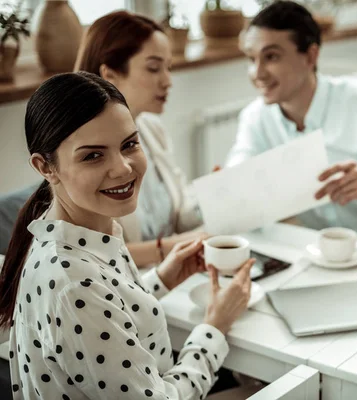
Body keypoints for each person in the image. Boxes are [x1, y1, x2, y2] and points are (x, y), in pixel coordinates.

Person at [0, 72, 254, 399]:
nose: (122, 168)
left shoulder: (74, 234)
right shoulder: (72, 282)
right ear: (45, 167)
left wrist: (163, 277)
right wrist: (214, 328)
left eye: (129, 144)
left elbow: (107, 316)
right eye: (93, 155)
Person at [226, 1, 357, 243]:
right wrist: (230, 188)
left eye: (271, 57)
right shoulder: (255, 118)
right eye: (251, 59)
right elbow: (238, 172)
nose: (258, 73)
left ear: (310, 56)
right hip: (318, 250)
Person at [76, 11, 206, 268]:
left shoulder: (150, 128)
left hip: (172, 273)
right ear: (110, 75)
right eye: (154, 68)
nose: (168, 81)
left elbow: (180, 214)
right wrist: (174, 248)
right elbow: (92, 254)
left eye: (168, 68)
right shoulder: (83, 154)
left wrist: (220, 192)